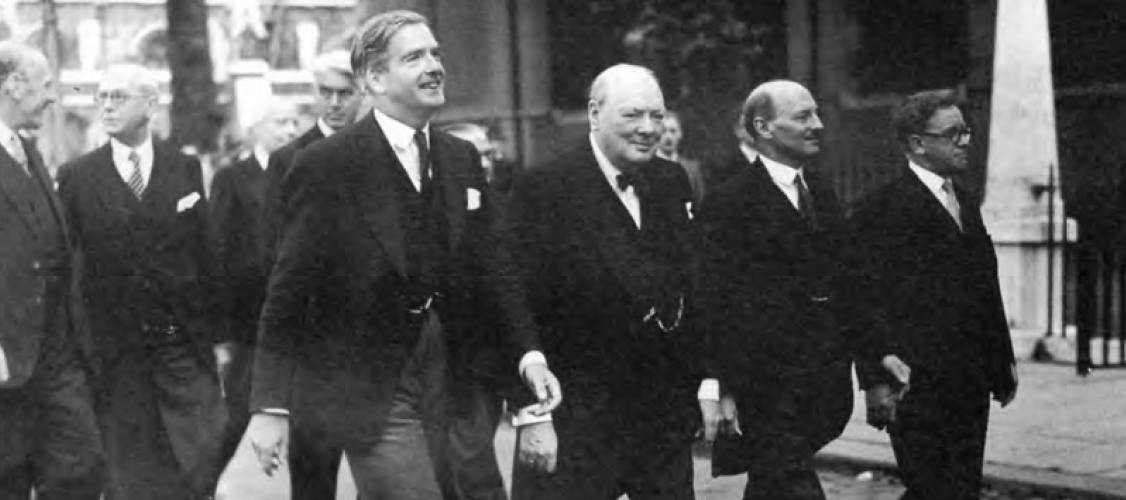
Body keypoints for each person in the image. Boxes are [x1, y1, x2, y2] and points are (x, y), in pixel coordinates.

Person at [245, 10, 561, 500]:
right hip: (369, 386)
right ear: (374, 78)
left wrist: (529, 357)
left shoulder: (459, 157)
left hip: (454, 379)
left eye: (435, 53)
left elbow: (493, 271)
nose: (435, 66)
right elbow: (289, 289)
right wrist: (269, 405)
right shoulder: (324, 165)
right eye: (414, 57)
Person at [510, 64, 704, 500]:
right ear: (595, 115)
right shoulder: (544, 188)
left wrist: (706, 381)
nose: (648, 128)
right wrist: (532, 414)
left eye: (657, 116)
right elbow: (515, 306)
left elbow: (692, 287)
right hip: (575, 421)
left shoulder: (671, 180)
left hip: (662, 418)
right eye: (633, 115)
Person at [57, 64, 227, 500]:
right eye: (102, 97)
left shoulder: (184, 167)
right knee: (131, 474)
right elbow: (69, 266)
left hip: (181, 346)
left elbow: (205, 254)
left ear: (150, 105)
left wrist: (217, 337)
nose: (107, 106)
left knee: (197, 463)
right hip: (116, 354)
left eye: (118, 96)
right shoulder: (78, 176)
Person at [851, 90, 1017, 500]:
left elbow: (985, 287)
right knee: (934, 489)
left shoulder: (965, 201)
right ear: (917, 143)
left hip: (969, 380)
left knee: (959, 488)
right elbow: (862, 299)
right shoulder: (880, 208)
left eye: (966, 131)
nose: (965, 141)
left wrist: (1002, 361)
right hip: (914, 383)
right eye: (953, 133)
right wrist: (874, 379)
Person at [697, 80, 853, 500]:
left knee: (772, 485)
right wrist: (721, 384)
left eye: (816, 114)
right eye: (803, 116)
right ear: (763, 127)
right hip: (762, 387)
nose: (817, 125)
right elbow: (713, 303)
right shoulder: (728, 203)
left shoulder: (822, 192)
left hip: (821, 385)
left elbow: (848, 283)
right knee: (794, 483)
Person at [255, 49, 364, 500]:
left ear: (362, 92)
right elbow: (274, 251)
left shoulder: (378, 151)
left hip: (375, 338)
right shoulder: (289, 159)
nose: (335, 103)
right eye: (326, 93)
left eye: (344, 93)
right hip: (316, 345)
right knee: (314, 474)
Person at [0, 40, 104, 500]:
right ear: (13, 84)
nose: (51, 97)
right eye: (45, 86)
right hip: (7, 362)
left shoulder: (27, 150)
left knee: (80, 469)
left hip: (58, 358)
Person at [209, 101, 300, 467]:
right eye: (280, 121)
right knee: (237, 412)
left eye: (294, 121)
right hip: (251, 324)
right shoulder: (232, 179)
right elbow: (218, 250)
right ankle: (203, 485)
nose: (290, 130)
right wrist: (222, 330)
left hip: (301, 319)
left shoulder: (307, 172)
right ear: (256, 129)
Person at [434, 121, 511, 500]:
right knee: (467, 463)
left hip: (486, 360)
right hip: (443, 361)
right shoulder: (430, 214)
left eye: (487, 154)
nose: (483, 163)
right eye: (472, 156)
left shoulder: (501, 207)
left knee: (466, 457)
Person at [656, 110, 705, 206]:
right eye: (663, 131)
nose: (668, 137)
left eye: (673, 131)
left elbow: (699, 202)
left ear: (681, 134)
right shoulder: (645, 165)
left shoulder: (692, 169)